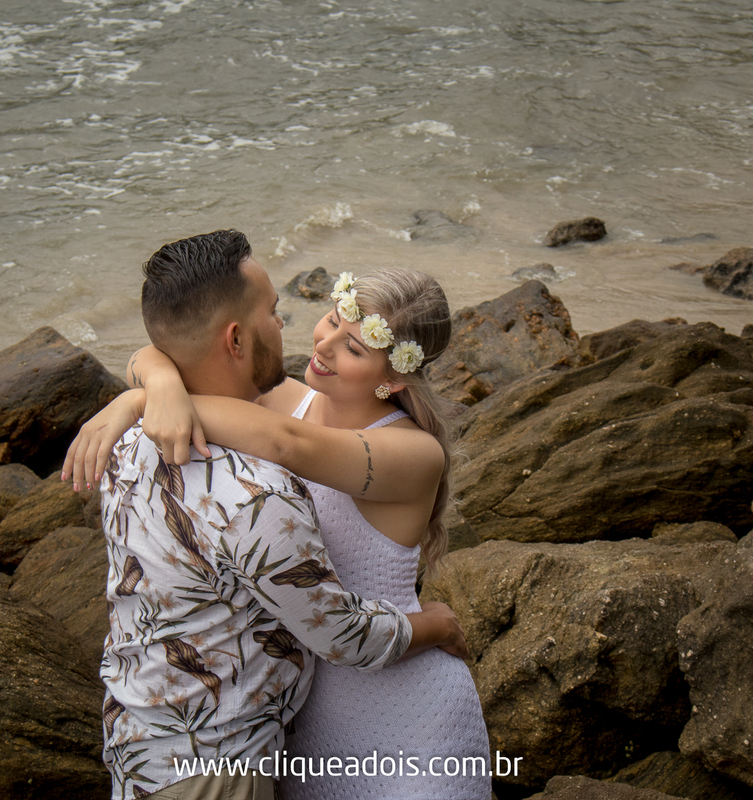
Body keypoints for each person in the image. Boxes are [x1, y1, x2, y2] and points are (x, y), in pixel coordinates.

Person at [65, 259, 491, 799]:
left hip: (395, 688)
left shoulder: (410, 452)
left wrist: (146, 398)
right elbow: (169, 348)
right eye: (333, 318)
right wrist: (151, 385)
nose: (326, 344)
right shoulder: (293, 401)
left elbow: (286, 444)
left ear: (394, 377)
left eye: (355, 347)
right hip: (306, 695)